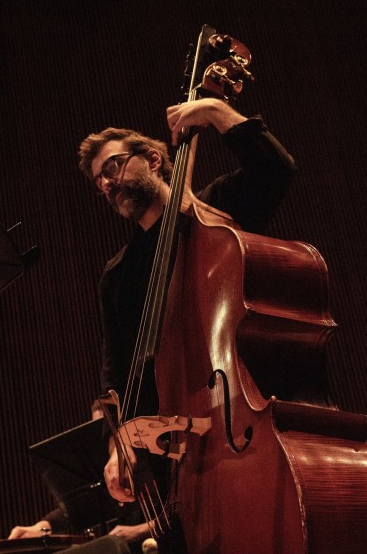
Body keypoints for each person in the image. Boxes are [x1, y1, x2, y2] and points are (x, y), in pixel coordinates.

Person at [77, 97, 296, 504]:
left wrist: (216, 111)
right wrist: (117, 444)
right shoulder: (117, 276)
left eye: (113, 166)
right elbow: (118, 373)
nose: (107, 184)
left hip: (240, 421)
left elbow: (276, 170)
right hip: (176, 456)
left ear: (154, 160)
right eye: (99, 182)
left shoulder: (212, 214)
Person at [7, 401, 152, 550]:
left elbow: (175, 511)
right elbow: (80, 508)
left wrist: (139, 531)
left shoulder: (150, 456)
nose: (105, 437)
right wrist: (40, 528)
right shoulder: (106, 468)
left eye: (107, 430)